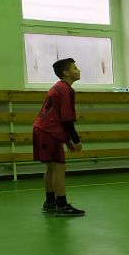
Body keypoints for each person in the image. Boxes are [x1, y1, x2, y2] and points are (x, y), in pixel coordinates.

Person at [33, 58, 85, 216]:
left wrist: (67, 140)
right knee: (59, 168)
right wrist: (76, 140)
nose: (78, 70)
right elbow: (67, 119)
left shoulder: (58, 87)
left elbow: (59, 116)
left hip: (42, 129)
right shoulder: (65, 89)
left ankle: (50, 202)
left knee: (51, 167)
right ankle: (62, 206)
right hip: (49, 131)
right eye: (74, 68)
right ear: (66, 72)